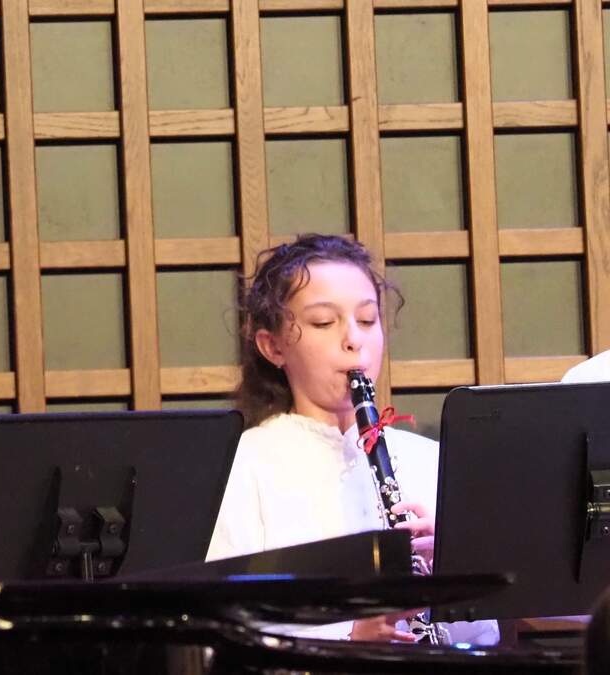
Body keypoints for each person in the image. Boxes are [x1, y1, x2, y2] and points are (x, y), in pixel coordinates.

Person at [207, 233, 498, 644]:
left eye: (366, 320)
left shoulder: (432, 462)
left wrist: (454, 575)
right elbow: (226, 635)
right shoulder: (240, 467)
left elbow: (486, 635)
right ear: (272, 347)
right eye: (324, 323)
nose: (353, 339)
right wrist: (353, 641)